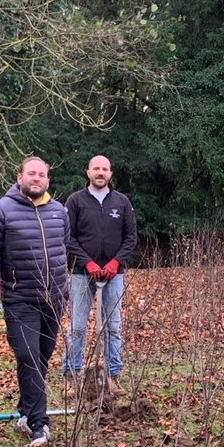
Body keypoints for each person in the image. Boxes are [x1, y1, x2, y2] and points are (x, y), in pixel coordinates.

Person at [0, 156, 69, 447]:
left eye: (41, 175)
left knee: (39, 359)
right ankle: (39, 424)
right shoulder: (1, 212)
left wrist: (64, 291)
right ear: (19, 177)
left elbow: (64, 247)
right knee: (28, 358)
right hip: (19, 300)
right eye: (31, 173)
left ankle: (25, 411)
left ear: (47, 180)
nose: (36, 178)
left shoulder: (59, 212)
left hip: (53, 301)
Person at [61, 155, 137, 395]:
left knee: (113, 326)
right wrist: (87, 263)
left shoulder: (122, 202)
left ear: (110, 174)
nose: (100, 172)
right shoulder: (75, 201)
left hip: (114, 275)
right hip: (82, 274)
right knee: (77, 327)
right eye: (96, 169)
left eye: (105, 169)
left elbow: (131, 237)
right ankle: (72, 377)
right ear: (88, 172)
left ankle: (113, 376)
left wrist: (116, 262)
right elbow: (68, 237)